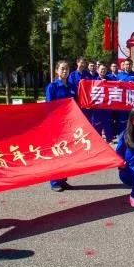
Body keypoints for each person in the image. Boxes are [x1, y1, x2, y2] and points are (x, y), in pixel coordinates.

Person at [47, 60, 76, 191]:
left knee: (66, 152)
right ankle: (54, 182)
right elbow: (49, 107)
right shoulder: (52, 87)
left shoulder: (71, 86)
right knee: (57, 152)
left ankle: (63, 179)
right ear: (56, 71)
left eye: (67, 69)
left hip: (68, 124)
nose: (65, 71)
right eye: (62, 69)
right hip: (56, 124)